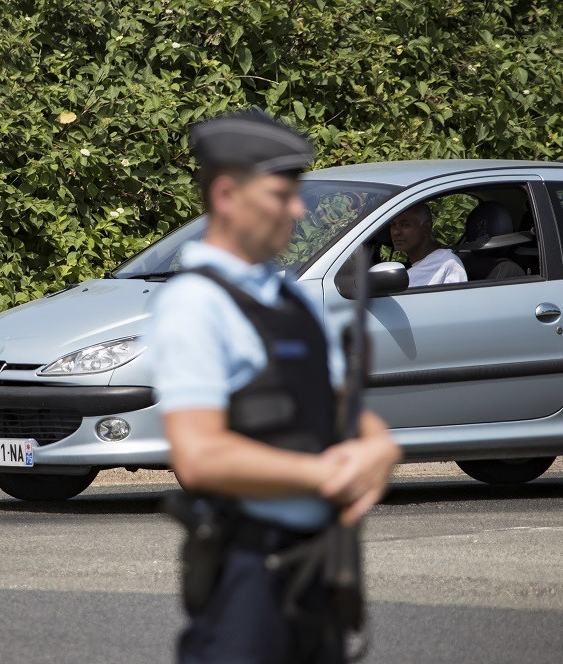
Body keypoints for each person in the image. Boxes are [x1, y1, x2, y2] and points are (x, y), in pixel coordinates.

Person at [148, 109, 402, 663]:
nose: (296, 208)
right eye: (280, 194)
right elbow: (199, 455)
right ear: (225, 196)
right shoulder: (195, 304)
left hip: (318, 569)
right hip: (248, 573)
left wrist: (380, 450)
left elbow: (345, 411)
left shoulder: (293, 301)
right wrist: (322, 475)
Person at [389, 202, 467, 287]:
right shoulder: (416, 266)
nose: (395, 232)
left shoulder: (447, 263)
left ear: (426, 227)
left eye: (404, 225)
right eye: (393, 225)